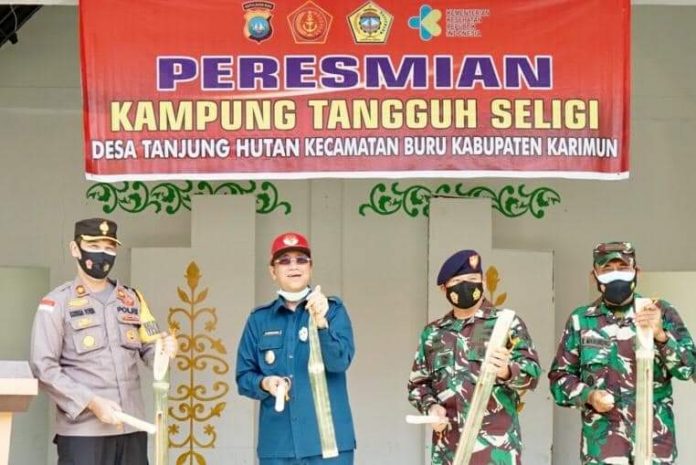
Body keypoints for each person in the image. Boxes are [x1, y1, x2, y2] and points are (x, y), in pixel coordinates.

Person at [29, 218, 177, 465]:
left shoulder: (133, 299)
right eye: (94, 246)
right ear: (75, 249)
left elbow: (151, 349)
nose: (102, 254)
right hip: (84, 434)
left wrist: (165, 350)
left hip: (132, 428)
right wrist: (91, 402)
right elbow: (43, 367)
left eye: (109, 248)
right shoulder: (56, 303)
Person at [548, 241, 696, 465]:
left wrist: (661, 335)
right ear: (594, 275)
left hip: (654, 443)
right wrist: (589, 396)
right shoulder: (581, 320)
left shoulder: (661, 312)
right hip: (603, 446)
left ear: (636, 272)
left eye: (623, 267)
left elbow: (690, 369)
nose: (616, 274)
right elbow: (559, 379)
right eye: (607, 268)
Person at [408, 249, 541, 465]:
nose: (466, 286)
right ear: (444, 289)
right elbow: (418, 385)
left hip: (495, 450)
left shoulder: (506, 323)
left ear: (483, 283)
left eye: (472, 280)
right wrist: (431, 407)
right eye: (457, 282)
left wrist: (507, 371)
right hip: (448, 451)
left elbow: (532, 374)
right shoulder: (433, 334)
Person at [236, 232, 356, 465]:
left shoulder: (333, 311)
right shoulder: (259, 320)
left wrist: (321, 323)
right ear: (273, 271)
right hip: (278, 445)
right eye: (284, 261)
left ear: (310, 267)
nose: (294, 266)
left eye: (301, 260)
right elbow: (243, 377)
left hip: (329, 446)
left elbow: (339, 362)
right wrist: (265, 383)